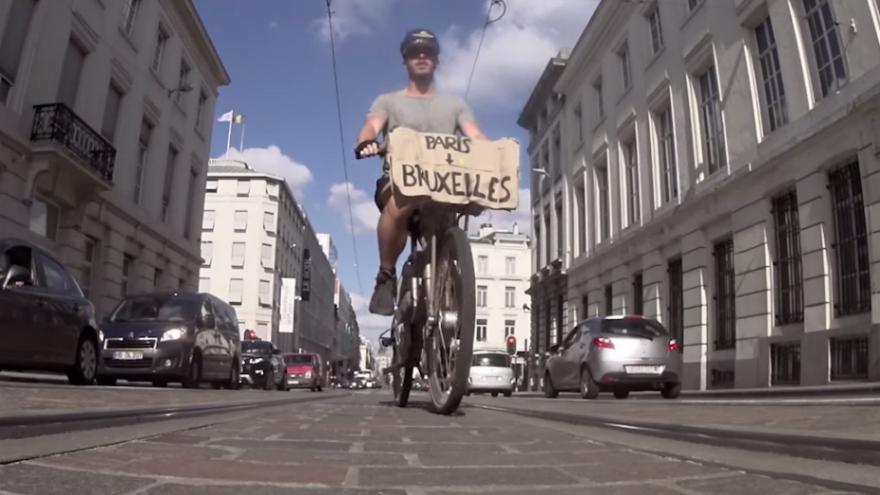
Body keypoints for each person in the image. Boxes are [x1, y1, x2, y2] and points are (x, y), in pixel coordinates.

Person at [355, 28, 488, 316]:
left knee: (452, 223)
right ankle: (386, 275)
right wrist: (367, 142)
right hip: (400, 178)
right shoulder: (388, 101)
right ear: (405, 61)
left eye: (428, 51)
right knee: (401, 201)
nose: (422, 56)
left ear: (437, 60)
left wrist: (493, 155)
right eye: (415, 52)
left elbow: (476, 135)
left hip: (444, 183)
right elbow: (371, 126)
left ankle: (447, 281)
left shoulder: (455, 105)